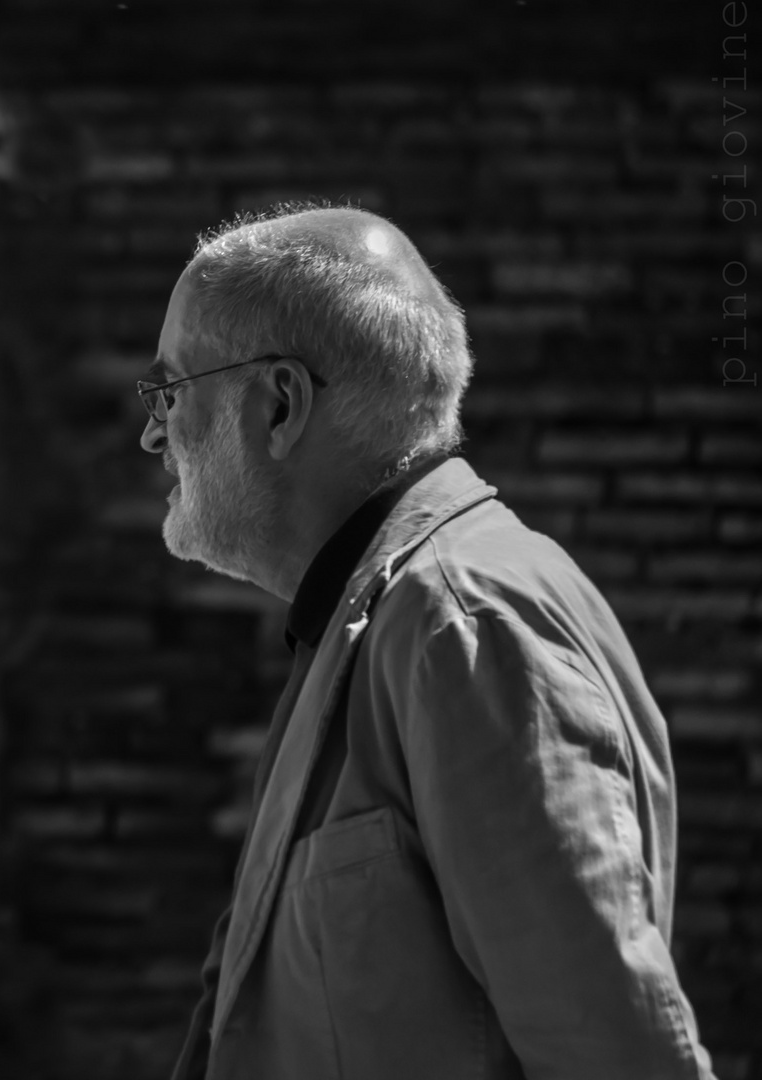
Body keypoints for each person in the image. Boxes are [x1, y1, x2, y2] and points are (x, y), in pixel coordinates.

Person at [138, 204, 716, 1080]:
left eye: (171, 391)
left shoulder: (468, 624)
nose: (153, 433)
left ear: (280, 405)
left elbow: (614, 1052)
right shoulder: (369, 615)